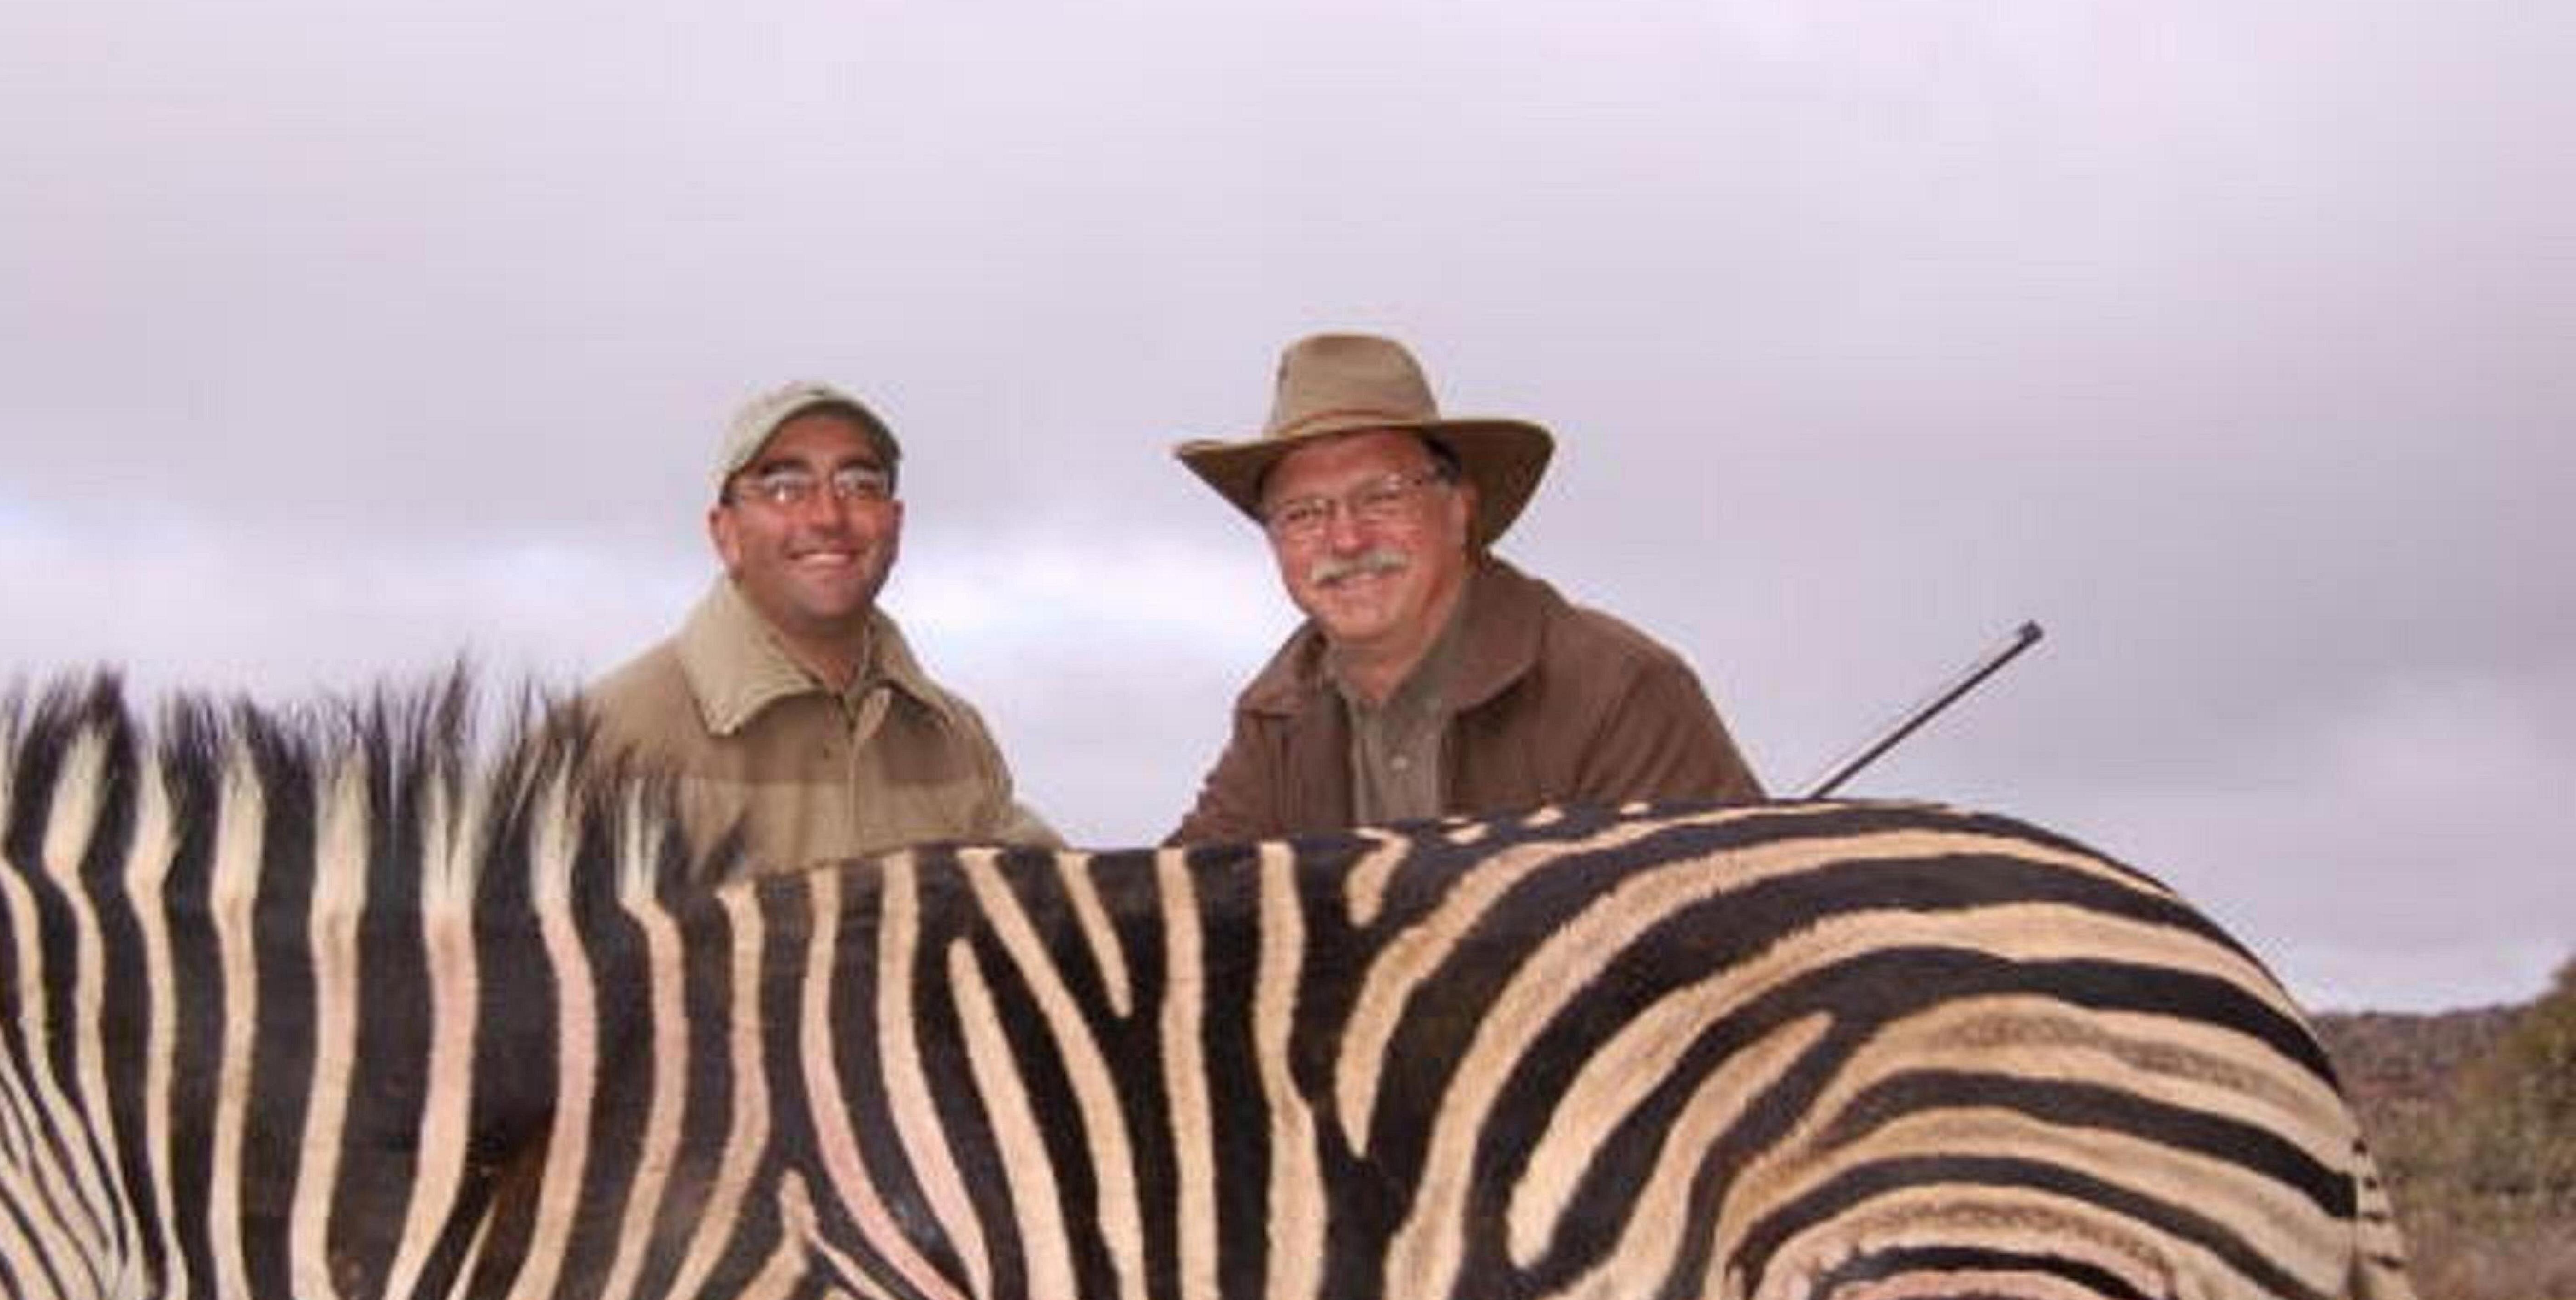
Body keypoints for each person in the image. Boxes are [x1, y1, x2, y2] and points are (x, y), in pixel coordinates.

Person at [1169, 332, 1759, 844]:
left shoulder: (1617, 687)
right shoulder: (1277, 717)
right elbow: (1177, 900)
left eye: (1383, 496)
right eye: (1303, 514)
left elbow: (1736, 925)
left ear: (1459, 510)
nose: (1345, 539)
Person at [589, 379, 1053, 872]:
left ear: (894, 526)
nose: (829, 516)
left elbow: (1068, 915)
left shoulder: (957, 742)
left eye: (859, 486)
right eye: (785, 489)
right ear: (725, 532)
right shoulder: (608, 739)